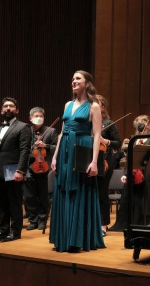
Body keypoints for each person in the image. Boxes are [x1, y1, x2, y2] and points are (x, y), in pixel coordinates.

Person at [49, 70, 106, 252]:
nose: (73, 81)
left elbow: (97, 134)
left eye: (78, 79)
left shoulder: (94, 106)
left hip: (82, 147)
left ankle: (77, 239)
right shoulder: (68, 104)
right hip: (65, 147)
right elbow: (61, 133)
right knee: (64, 189)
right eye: (72, 79)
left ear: (87, 83)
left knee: (80, 190)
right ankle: (64, 237)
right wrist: (55, 157)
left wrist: (95, 161)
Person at [0, 97, 33, 243]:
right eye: (5, 106)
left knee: (14, 202)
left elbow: (25, 150)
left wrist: (20, 170)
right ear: (1, 110)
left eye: (11, 106)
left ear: (17, 110)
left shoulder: (23, 127)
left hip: (13, 169)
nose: (8, 108)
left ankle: (16, 231)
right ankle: (3, 230)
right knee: (1, 203)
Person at [24, 107, 58, 231]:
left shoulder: (51, 131)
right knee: (29, 196)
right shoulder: (26, 131)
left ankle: (42, 219)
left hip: (44, 167)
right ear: (30, 118)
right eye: (36, 116)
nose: (39, 118)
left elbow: (57, 147)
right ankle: (33, 219)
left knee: (43, 195)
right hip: (29, 166)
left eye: (41, 116)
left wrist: (46, 146)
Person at [95, 95, 121, 236]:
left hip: (104, 162)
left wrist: (105, 141)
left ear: (103, 107)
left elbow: (118, 143)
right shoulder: (88, 123)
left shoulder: (108, 123)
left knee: (101, 194)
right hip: (89, 161)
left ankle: (103, 225)